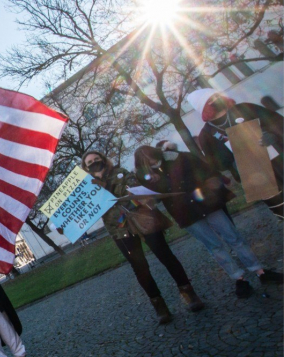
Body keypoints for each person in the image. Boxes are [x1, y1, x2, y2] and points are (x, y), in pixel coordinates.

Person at [134, 146, 283, 298]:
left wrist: (210, 186)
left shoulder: (180, 157)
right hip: (185, 214)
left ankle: (260, 271)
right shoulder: (145, 176)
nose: (149, 163)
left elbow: (205, 171)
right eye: (144, 162)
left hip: (206, 203)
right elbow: (156, 197)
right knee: (214, 246)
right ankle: (239, 278)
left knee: (233, 237)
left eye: (149, 158)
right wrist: (150, 192)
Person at [80, 151, 203, 324]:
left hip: (142, 220)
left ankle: (189, 293)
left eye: (96, 159)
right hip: (119, 229)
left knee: (166, 256)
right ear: (85, 168)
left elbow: (133, 190)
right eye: (90, 162)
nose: (94, 163)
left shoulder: (121, 173)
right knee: (140, 268)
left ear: (103, 160)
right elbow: (85, 211)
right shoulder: (87, 188)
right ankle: (159, 306)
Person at [186, 88, 283, 219]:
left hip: (279, 162)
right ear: (203, 107)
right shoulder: (207, 135)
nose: (218, 98)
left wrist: (273, 135)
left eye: (218, 95)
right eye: (212, 99)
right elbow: (217, 164)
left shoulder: (245, 108)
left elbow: (278, 122)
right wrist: (231, 155)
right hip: (257, 177)